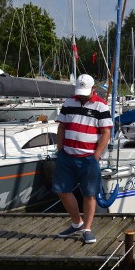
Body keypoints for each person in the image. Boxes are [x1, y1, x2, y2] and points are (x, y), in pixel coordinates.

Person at [53, 74, 112, 244]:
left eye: (85, 92)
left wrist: (97, 155)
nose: (82, 95)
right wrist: (60, 148)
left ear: (93, 89)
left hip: (88, 157)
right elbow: (62, 126)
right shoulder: (69, 102)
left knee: (89, 193)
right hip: (67, 155)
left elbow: (106, 132)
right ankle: (76, 222)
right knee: (62, 190)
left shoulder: (101, 106)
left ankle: (87, 228)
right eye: (80, 91)